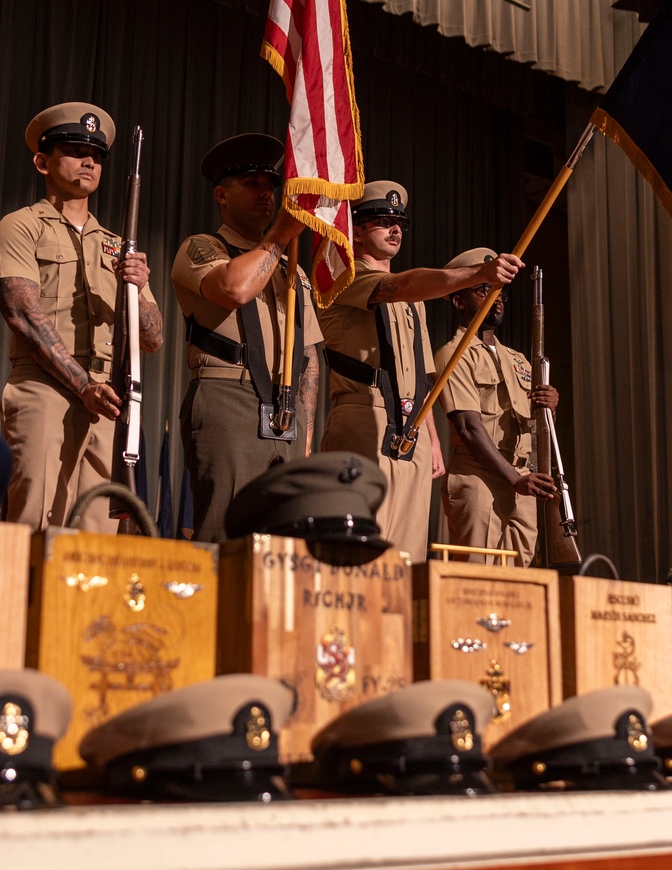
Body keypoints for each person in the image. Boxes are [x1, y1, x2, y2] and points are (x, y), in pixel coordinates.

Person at [317, 185, 524, 562]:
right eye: (383, 222)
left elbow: (424, 376)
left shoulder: (414, 302)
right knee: (359, 546)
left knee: (407, 556)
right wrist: (479, 273)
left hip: (410, 428)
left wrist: (429, 437)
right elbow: (401, 285)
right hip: (365, 413)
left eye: (399, 223)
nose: (395, 229)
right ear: (356, 230)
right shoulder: (343, 277)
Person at [0, 103, 162, 533]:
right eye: (74, 150)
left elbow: (153, 337)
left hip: (108, 399)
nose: (89, 161)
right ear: (42, 162)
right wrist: (81, 384)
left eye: (97, 156)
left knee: (95, 540)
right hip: (45, 389)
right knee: (36, 524)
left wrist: (137, 289)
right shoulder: (22, 226)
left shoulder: (120, 246)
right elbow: (22, 315)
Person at [170, 133, 322, 543]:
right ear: (221, 194)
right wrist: (278, 238)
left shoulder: (295, 273)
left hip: (287, 408)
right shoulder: (203, 246)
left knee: (285, 539)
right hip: (229, 398)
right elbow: (234, 290)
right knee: (227, 532)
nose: (265, 193)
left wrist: (304, 428)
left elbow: (307, 355)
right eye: (251, 184)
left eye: (270, 185)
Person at [434, 247, 557, 567]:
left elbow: (535, 424)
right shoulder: (453, 354)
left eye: (500, 290)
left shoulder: (519, 360)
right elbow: (469, 428)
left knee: (519, 588)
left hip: (522, 479)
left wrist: (550, 406)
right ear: (458, 300)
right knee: (476, 583)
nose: (497, 298)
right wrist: (514, 479)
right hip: (480, 479)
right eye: (484, 289)